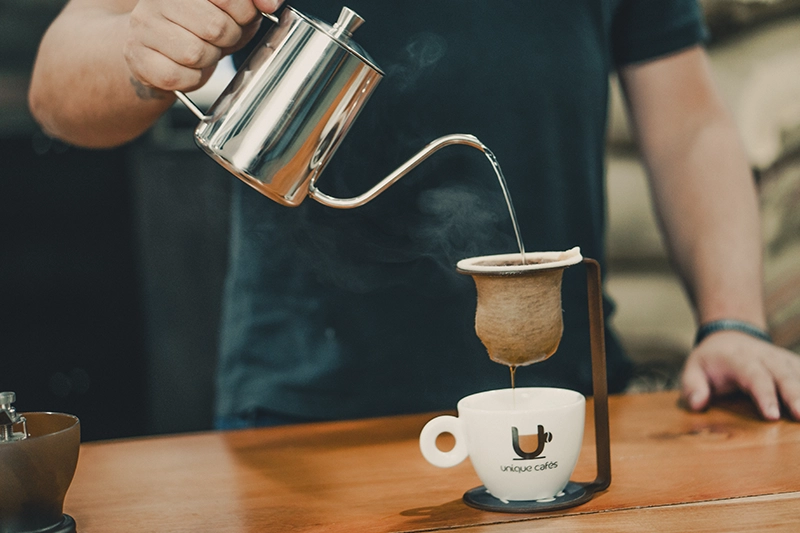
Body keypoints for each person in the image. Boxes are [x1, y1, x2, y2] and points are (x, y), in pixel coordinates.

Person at [29, 0, 800, 426]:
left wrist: (732, 320)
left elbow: (690, 124)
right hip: (307, 416)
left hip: (557, 405)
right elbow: (55, 87)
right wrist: (141, 48)